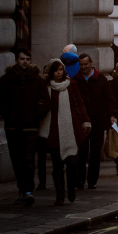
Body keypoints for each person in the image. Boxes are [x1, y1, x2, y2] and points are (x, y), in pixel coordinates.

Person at [0, 50, 49, 206]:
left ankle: (28, 191)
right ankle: (22, 190)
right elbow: (0, 101)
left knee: (28, 159)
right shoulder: (6, 80)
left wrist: (35, 116)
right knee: (17, 160)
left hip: (30, 127)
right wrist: (8, 115)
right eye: (22, 59)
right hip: (12, 127)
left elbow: (45, 102)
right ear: (16, 60)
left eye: (27, 59)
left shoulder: (37, 80)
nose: (25, 62)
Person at [39, 60, 89, 205]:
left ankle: (71, 188)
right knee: (57, 165)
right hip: (53, 128)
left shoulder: (71, 85)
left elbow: (79, 102)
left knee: (73, 162)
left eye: (61, 69)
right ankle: (59, 194)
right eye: (56, 70)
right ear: (51, 73)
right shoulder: (46, 87)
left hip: (70, 127)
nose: (59, 72)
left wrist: (86, 120)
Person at [74, 54, 115, 190]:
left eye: (86, 64)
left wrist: (111, 115)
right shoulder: (76, 80)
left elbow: (109, 99)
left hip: (98, 119)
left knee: (96, 151)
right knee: (82, 151)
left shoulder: (100, 79)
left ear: (91, 63)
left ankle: (92, 180)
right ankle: (79, 179)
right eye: (81, 65)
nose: (84, 67)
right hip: (82, 121)